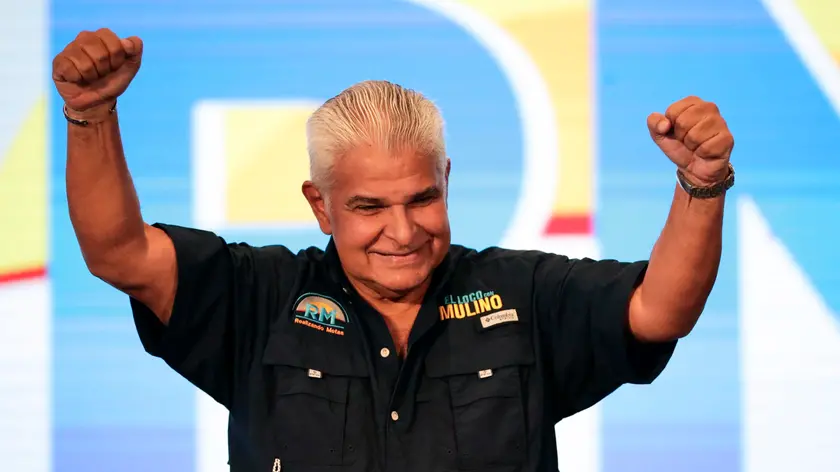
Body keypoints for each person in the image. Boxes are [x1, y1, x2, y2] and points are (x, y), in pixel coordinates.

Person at [53, 28, 734, 472]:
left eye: (420, 199)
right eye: (369, 208)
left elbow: (659, 309)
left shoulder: (523, 295)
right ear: (320, 205)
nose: (403, 232)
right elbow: (118, 252)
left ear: (447, 180)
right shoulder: (257, 297)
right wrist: (90, 116)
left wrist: (701, 186)